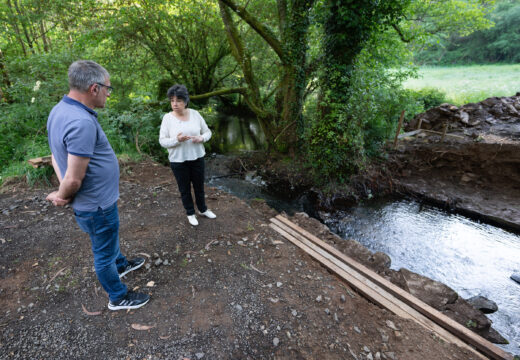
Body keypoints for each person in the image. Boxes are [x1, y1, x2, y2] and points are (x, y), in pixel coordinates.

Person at [46, 60, 150, 310]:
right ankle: (118, 297)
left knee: (109, 238)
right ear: (94, 88)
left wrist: (64, 191)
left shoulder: (60, 110)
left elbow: (54, 155)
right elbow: (73, 178)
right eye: (108, 89)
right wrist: (62, 194)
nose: (108, 94)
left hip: (97, 203)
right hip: (96, 206)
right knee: (103, 253)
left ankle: (121, 265)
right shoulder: (80, 121)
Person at [159, 84, 216, 226]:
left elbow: (208, 132)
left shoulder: (195, 114)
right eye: (172, 100)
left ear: (186, 101)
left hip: (197, 157)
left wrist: (201, 138)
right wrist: (176, 140)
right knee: (184, 188)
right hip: (178, 161)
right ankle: (190, 213)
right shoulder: (167, 118)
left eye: (178, 100)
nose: (175, 104)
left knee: (199, 186)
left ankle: (203, 209)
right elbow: (162, 141)